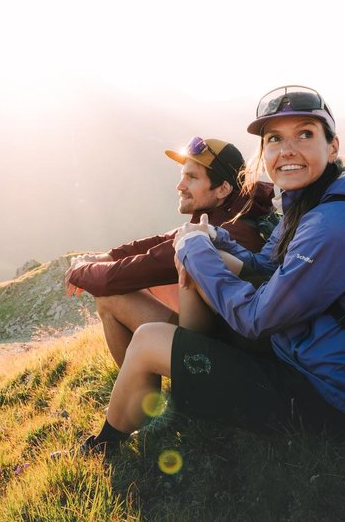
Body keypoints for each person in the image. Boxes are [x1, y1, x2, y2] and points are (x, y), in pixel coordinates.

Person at [82, 85, 345, 452]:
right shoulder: (313, 202)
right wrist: (213, 240)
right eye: (274, 139)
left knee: (148, 341)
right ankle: (164, 393)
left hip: (336, 401)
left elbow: (257, 319)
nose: (287, 150)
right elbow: (265, 265)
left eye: (304, 134)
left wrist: (195, 252)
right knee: (197, 261)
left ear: (332, 146)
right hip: (307, 357)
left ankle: (103, 447)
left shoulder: (332, 226)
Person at [65, 137, 275, 367]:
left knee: (110, 296)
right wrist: (108, 256)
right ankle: (136, 388)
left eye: (192, 177)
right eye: (182, 175)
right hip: (223, 336)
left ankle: (138, 395)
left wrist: (79, 270)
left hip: (228, 359)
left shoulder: (228, 231)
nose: (180, 185)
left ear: (223, 188)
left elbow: (121, 276)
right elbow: (163, 240)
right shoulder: (234, 212)